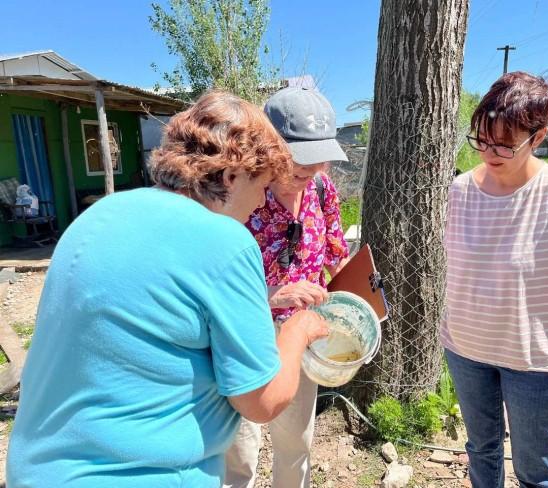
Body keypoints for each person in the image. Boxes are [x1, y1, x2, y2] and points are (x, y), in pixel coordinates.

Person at [6, 91, 329, 488]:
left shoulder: (100, 215)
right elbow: (261, 401)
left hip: (38, 472)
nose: (262, 200)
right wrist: (298, 332)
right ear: (230, 177)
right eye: (261, 185)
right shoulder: (224, 240)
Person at [442, 72, 548, 488]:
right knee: (481, 451)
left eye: (504, 142)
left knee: (536, 473)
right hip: (466, 348)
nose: (490, 152)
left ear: (539, 135)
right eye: (482, 139)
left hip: (539, 363)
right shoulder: (459, 192)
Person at [225, 86, 350, 488]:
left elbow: (335, 253)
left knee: (296, 439)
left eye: (320, 160)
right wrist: (269, 295)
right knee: (239, 447)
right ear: (268, 148)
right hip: (246, 331)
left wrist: (353, 298)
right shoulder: (237, 193)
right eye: (300, 160)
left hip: (303, 335)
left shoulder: (320, 187)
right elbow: (214, 285)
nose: (310, 171)